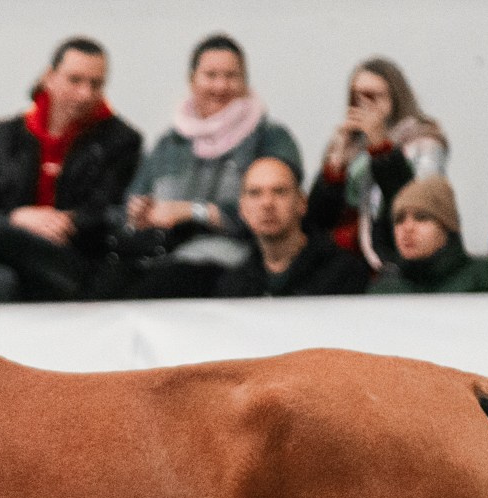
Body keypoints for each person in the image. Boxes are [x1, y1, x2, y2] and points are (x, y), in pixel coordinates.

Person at [0, 36, 142, 303]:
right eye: (75, 80)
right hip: (15, 255)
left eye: (96, 84)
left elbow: (107, 213)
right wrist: (18, 217)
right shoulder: (8, 135)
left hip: (76, 262)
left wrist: (57, 222)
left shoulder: (120, 140)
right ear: (49, 77)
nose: (86, 94)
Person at [102, 34, 302, 299]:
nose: (220, 86)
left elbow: (286, 211)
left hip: (235, 262)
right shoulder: (169, 143)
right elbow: (130, 204)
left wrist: (194, 212)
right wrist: (139, 214)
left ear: (245, 81)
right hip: (159, 259)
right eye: (211, 75)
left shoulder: (270, 139)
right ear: (192, 80)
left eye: (231, 76)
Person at [306, 58, 449, 271]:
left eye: (372, 96)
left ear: (394, 98)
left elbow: (419, 202)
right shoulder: (348, 144)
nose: (363, 104)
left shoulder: (423, 141)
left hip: (395, 252)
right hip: (345, 255)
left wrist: (381, 148)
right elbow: (318, 218)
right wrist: (335, 167)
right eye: (356, 97)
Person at [215, 156, 370, 297]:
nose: (267, 203)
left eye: (279, 191)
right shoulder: (233, 285)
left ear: (301, 202)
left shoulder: (343, 272)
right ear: (242, 209)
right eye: (255, 193)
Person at [367, 177, 488, 294]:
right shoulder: (385, 289)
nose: (407, 228)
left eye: (422, 217)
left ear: (447, 227)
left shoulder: (484, 279)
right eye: (399, 219)